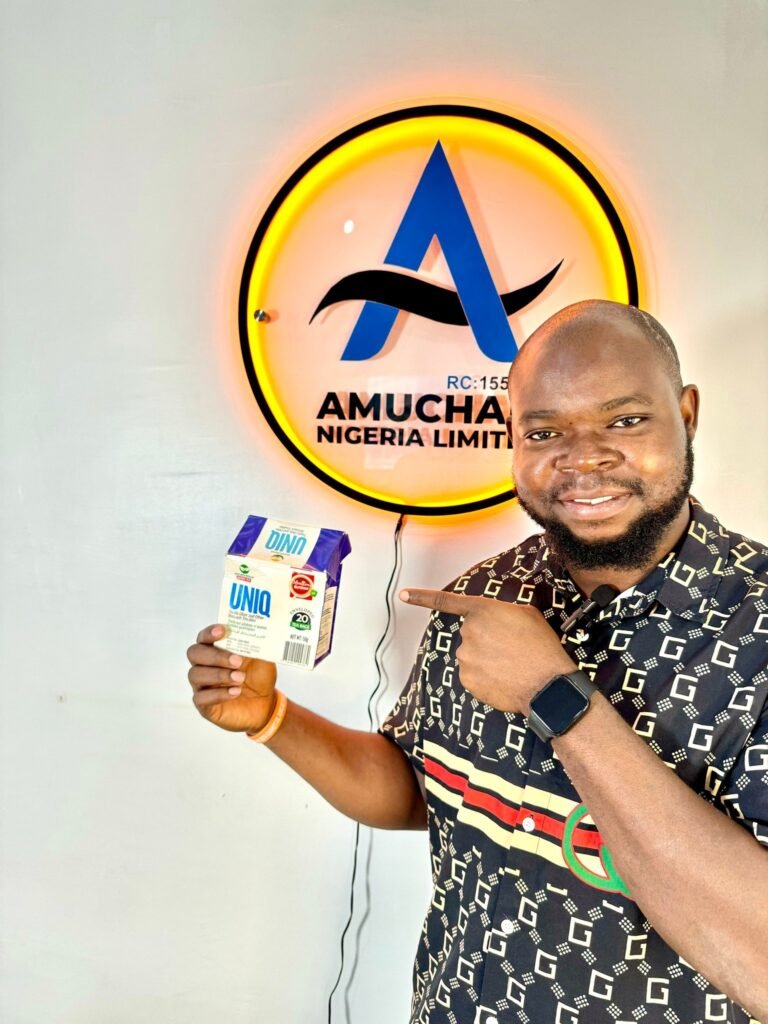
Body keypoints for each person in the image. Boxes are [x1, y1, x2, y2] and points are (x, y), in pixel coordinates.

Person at [187, 300, 768, 1023]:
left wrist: (554, 694)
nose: (583, 457)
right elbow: (421, 788)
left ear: (686, 415)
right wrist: (271, 719)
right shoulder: (487, 593)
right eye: (545, 432)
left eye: (624, 420)